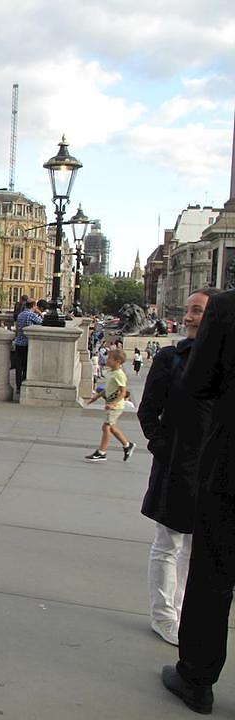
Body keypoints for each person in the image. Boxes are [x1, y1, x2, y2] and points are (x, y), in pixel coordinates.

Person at [161, 289, 235, 714]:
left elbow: (197, 383)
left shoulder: (227, 307)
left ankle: (196, 679)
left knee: (212, 579)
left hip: (229, 467)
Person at [138, 289, 219, 647]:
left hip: (214, 468)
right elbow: (147, 410)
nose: (187, 317)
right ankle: (163, 615)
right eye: (188, 310)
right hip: (176, 464)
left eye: (197, 311)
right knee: (168, 542)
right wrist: (162, 446)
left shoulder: (225, 363)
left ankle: (184, 610)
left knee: (196, 545)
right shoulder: (170, 358)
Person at [84, 347, 136, 462]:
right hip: (111, 404)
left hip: (116, 406)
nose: (107, 360)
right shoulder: (111, 372)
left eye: (110, 358)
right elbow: (107, 389)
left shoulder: (119, 375)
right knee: (111, 427)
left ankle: (102, 452)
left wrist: (113, 404)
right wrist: (96, 397)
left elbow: (123, 392)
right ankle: (127, 445)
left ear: (117, 361)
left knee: (106, 427)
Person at [14, 298, 42, 398]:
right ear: (33, 305)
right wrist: (40, 313)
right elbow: (42, 322)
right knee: (26, 366)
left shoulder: (20, 314)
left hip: (18, 342)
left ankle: (18, 387)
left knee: (18, 367)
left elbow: (17, 328)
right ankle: (24, 385)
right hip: (27, 343)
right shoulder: (31, 315)